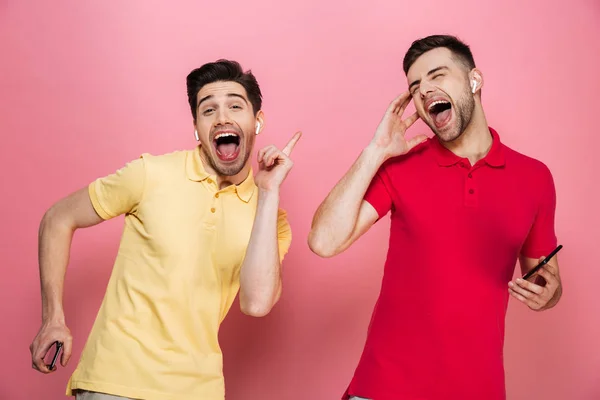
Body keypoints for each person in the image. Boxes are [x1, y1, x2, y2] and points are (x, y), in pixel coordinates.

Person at [308, 35, 563, 400]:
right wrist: (375, 152)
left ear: (474, 81)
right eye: (415, 86)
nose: (425, 90)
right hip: (383, 388)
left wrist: (549, 293)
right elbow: (323, 241)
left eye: (437, 75)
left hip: (477, 389)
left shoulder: (534, 178)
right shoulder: (401, 166)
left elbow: (543, 276)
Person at [30, 59, 301, 400]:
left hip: (198, 390)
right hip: (114, 382)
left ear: (257, 121)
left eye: (235, 105)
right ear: (196, 128)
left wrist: (268, 192)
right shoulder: (150, 174)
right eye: (208, 110)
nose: (222, 118)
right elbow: (58, 218)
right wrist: (52, 317)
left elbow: (258, 303)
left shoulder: (271, 218)